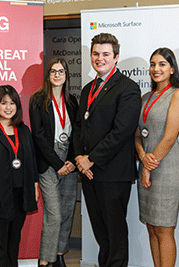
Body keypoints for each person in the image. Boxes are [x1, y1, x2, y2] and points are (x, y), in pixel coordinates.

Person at [73, 33, 141, 267]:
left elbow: (122, 132)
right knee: (101, 232)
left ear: (116, 57)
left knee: (115, 233)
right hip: (89, 173)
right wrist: (79, 159)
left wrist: (91, 159)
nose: (99, 58)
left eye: (105, 54)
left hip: (113, 173)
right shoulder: (87, 89)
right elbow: (79, 127)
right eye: (95, 54)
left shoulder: (128, 88)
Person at [134, 48, 179, 267]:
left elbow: (170, 137)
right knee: (151, 226)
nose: (156, 69)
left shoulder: (178, 95)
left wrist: (148, 166)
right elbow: (137, 135)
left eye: (162, 64)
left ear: (172, 68)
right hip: (147, 165)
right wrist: (142, 156)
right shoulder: (145, 97)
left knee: (164, 229)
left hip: (167, 170)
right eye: (153, 64)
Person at [0, 85, 39, 267]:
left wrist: (35, 187)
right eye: (3, 103)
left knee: (13, 243)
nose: (8, 107)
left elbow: (31, 161)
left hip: (20, 195)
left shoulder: (24, 131)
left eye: (12, 103)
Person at [29, 58, 78, 267]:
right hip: (49, 161)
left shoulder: (72, 101)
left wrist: (71, 161)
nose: (57, 75)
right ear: (48, 75)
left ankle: (58, 255)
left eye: (61, 71)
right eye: (53, 72)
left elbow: (78, 133)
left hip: (69, 160)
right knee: (54, 214)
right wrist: (58, 163)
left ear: (67, 75)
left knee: (67, 212)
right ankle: (45, 259)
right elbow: (38, 136)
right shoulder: (38, 100)